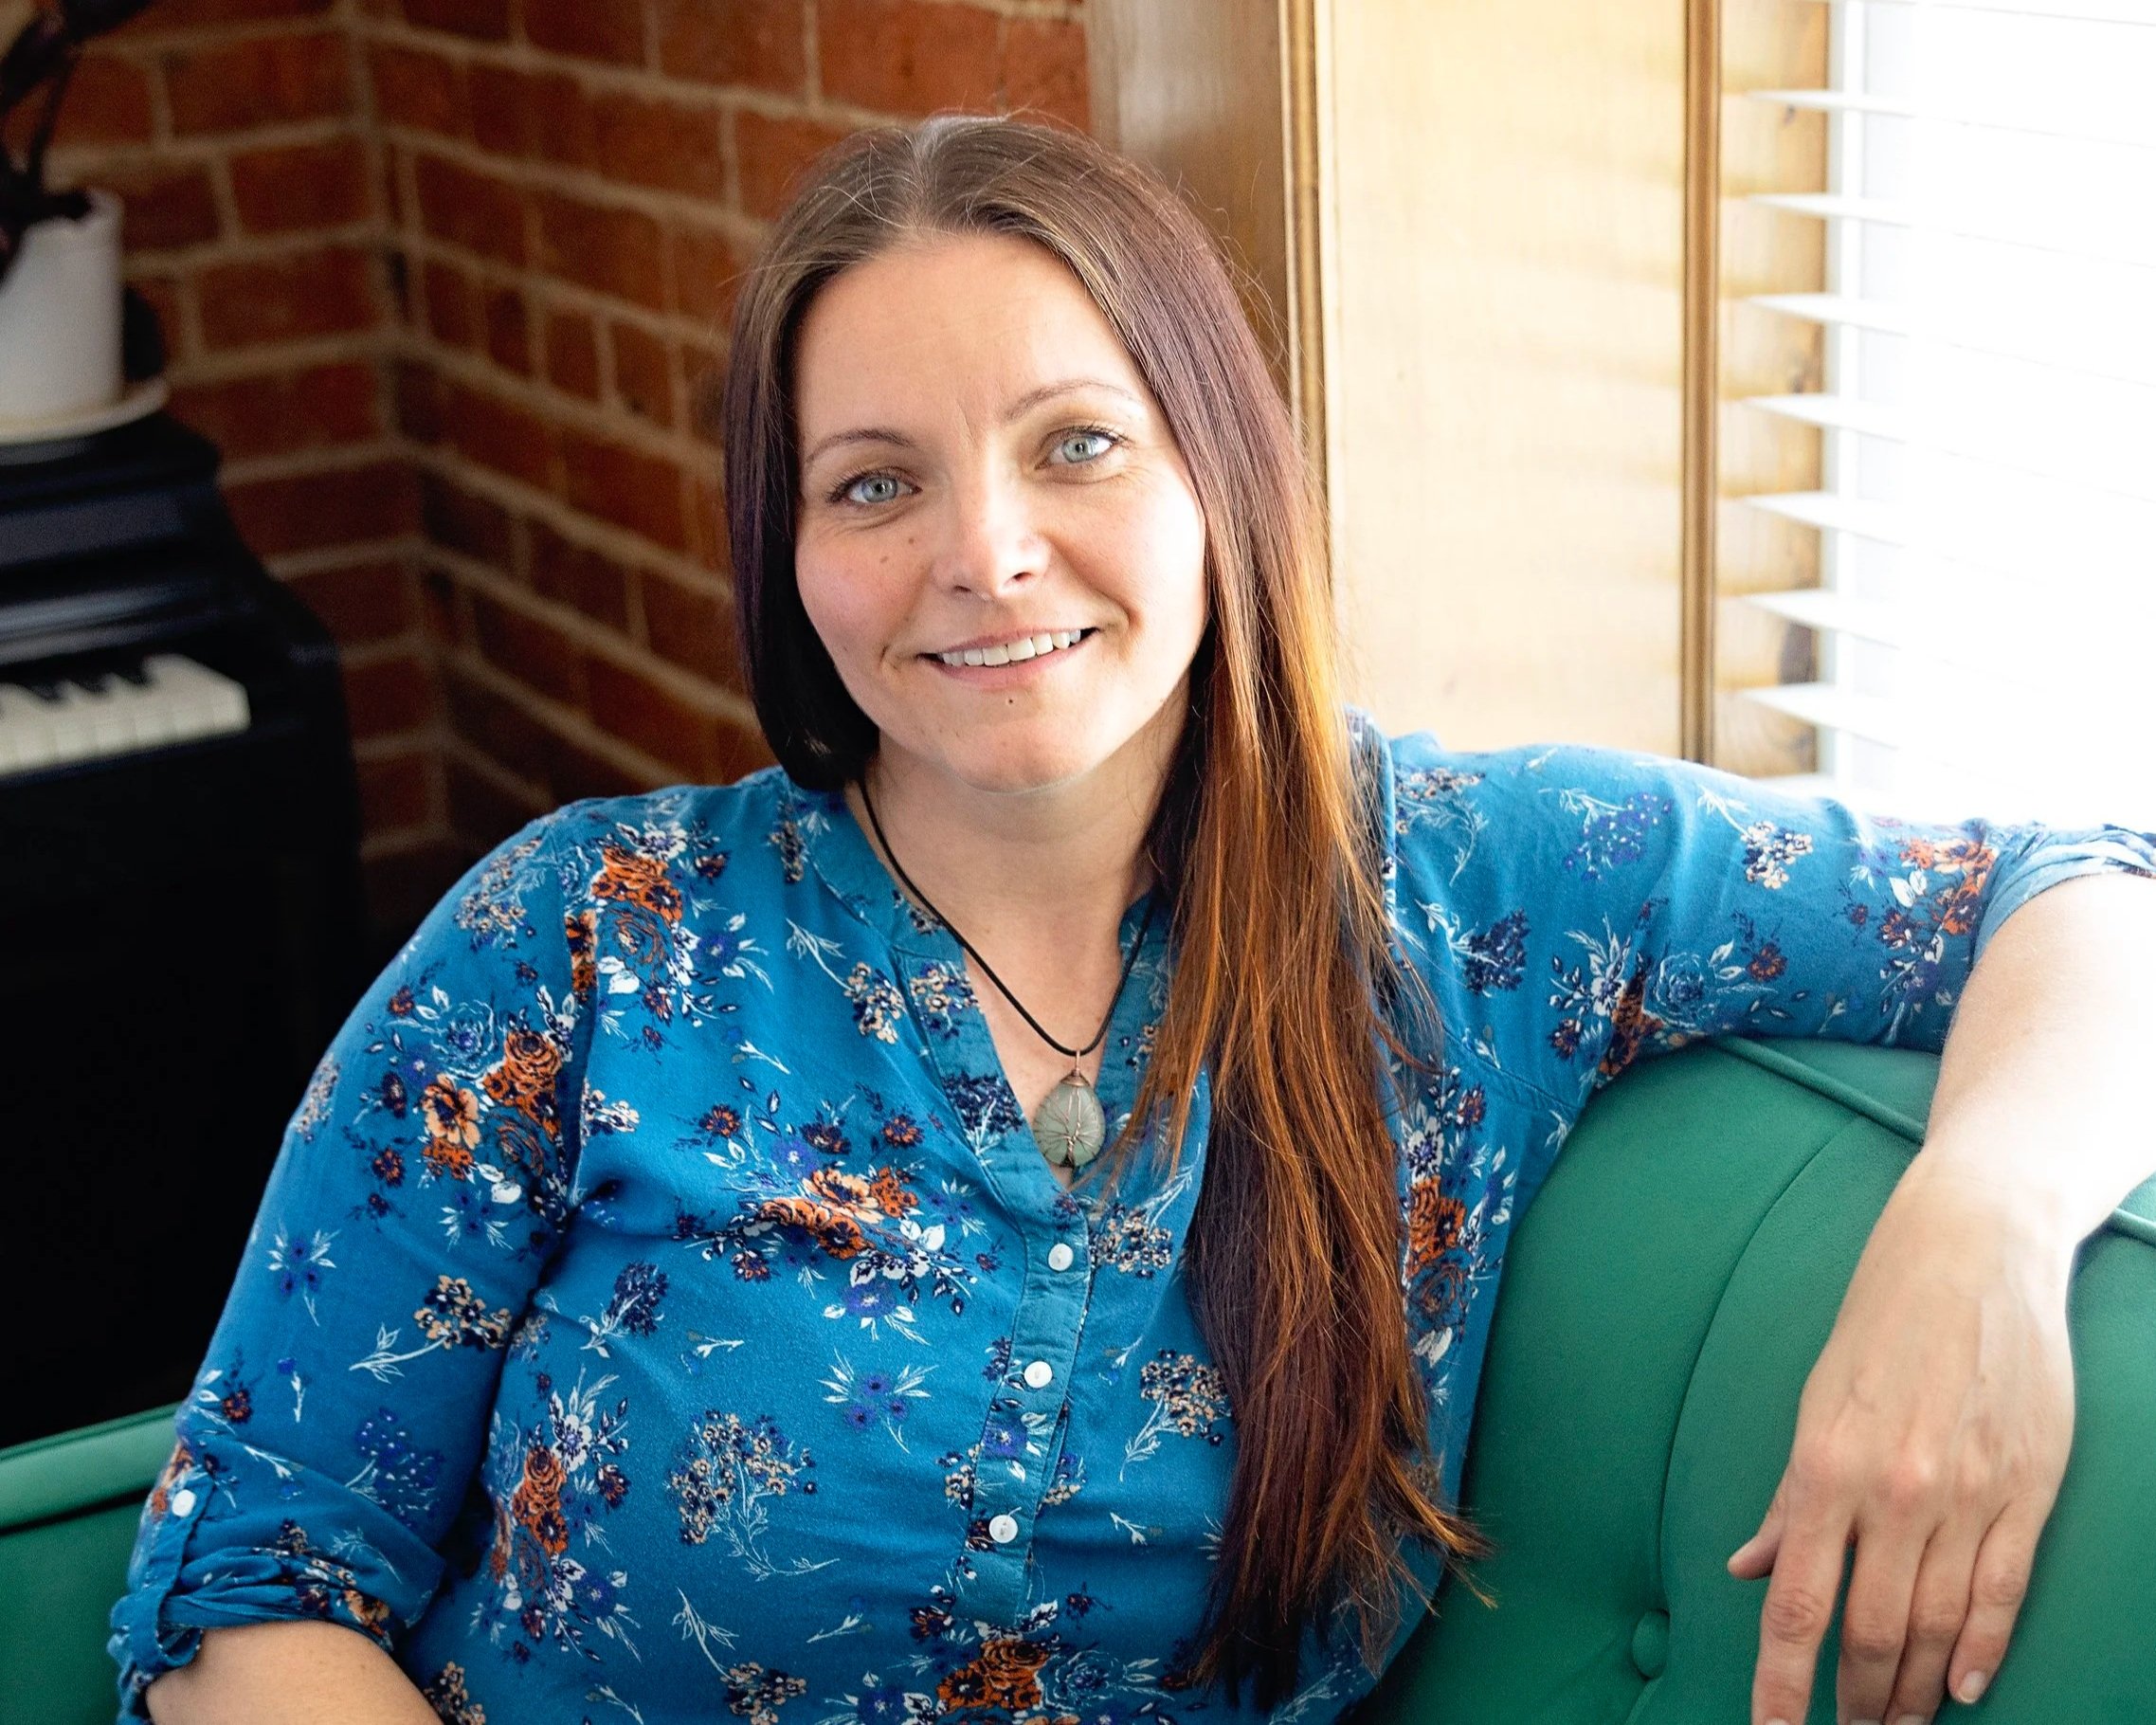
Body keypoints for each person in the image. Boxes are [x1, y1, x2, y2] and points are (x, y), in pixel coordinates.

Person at [113, 114, 2156, 1725]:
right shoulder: (575, 941)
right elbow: (251, 1579)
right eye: (874, 484)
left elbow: (2083, 886)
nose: (988, 556)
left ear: (1216, 474)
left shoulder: (1470, 886)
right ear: (788, 555)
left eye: (1074, 443)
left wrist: (1974, 1229)